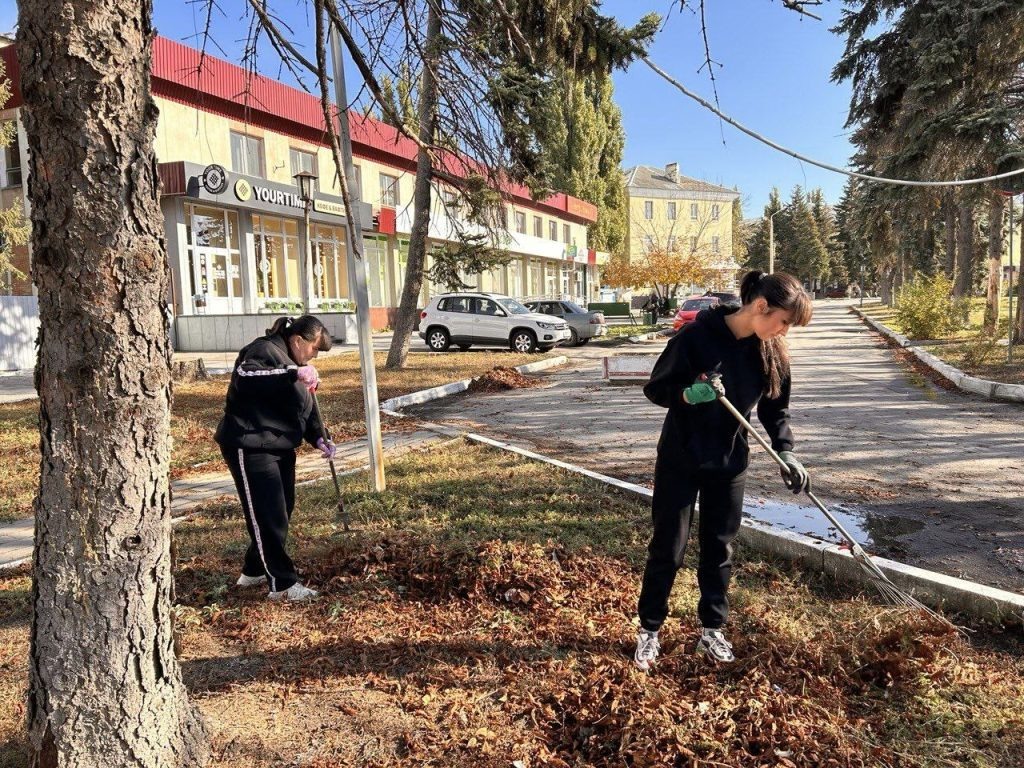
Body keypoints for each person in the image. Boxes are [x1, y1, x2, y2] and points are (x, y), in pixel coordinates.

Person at [633, 271, 813, 669]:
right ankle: (649, 630)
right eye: (784, 321)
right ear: (761, 306)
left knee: (719, 550)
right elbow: (656, 389)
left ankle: (712, 630)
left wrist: (787, 452)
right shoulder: (695, 338)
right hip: (680, 459)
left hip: (730, 463)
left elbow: (774, 410)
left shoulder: (772, 351)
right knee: (668, 548)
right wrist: (689, 395)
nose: (785, 331)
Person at [215, 315, 337, 602]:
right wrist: (291, 374)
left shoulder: (298, 365)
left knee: (281, 511)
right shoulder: (263, 350)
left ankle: (255, 569)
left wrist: (320, 435)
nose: (315, 355)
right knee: (266, 514)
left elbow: (304, 409)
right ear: (297, 340)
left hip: (280, 445)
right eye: (314, 348)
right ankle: (281, 584)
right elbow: (247, 378)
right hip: (250, 443)